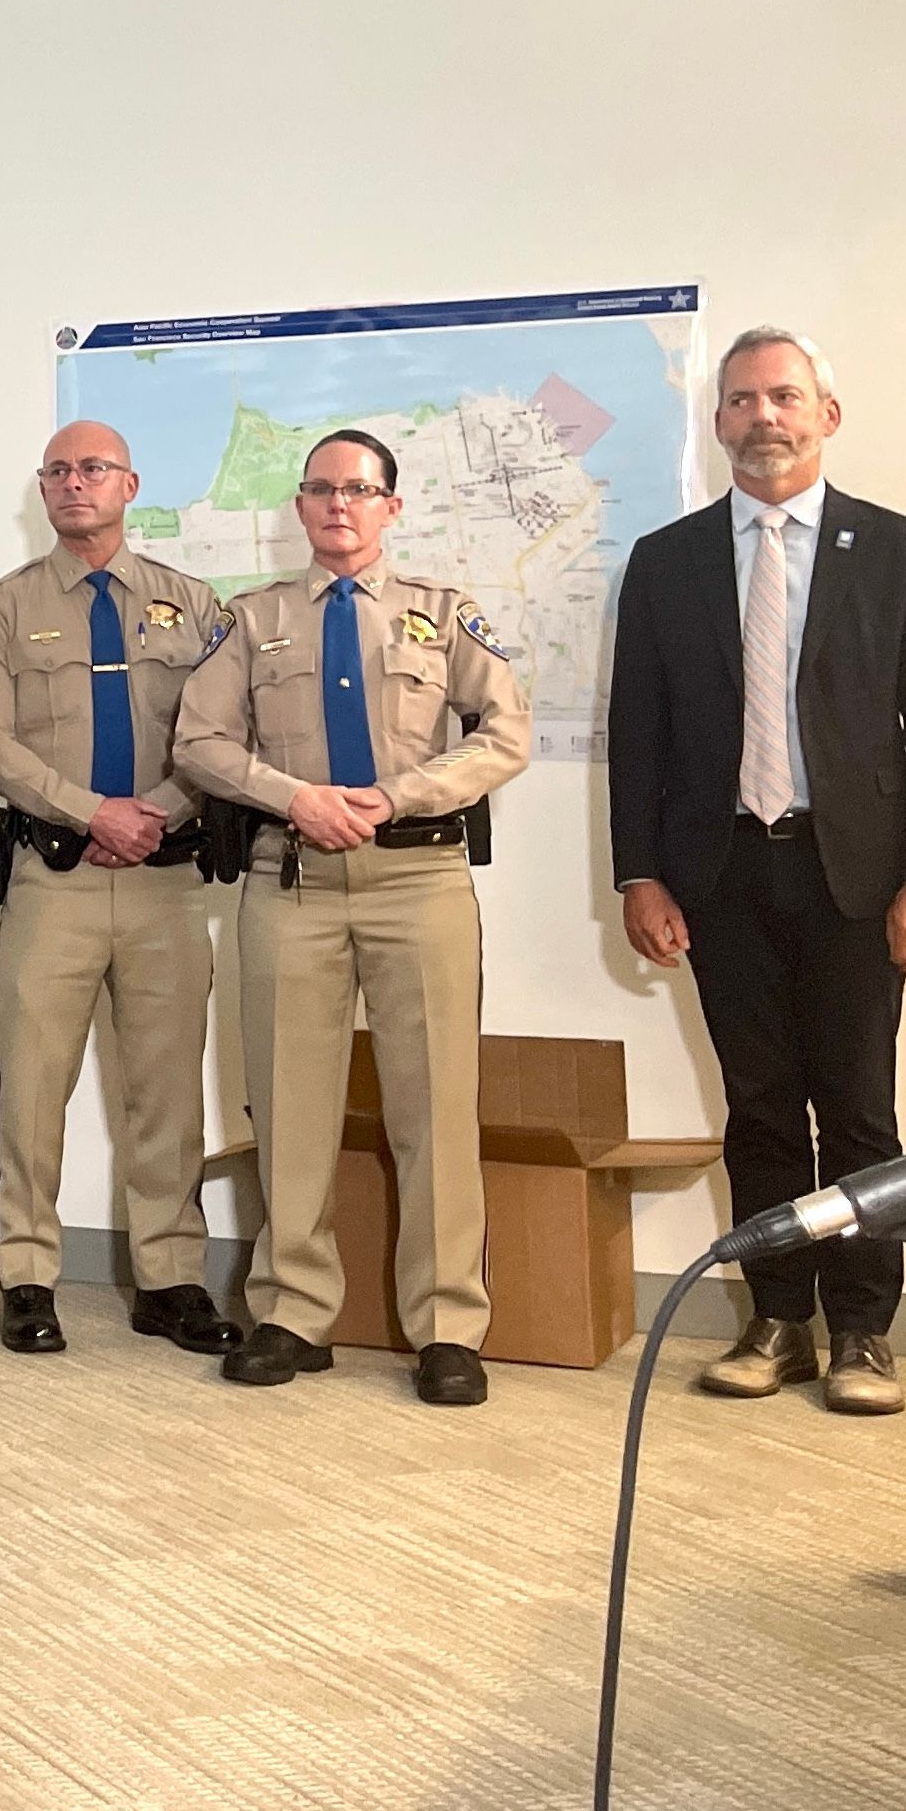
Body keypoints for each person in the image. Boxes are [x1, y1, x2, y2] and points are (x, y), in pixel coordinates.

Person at [174, 429, 528, 1405]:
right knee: (287, 1105)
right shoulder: (252, 622)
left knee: (435, 1108)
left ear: (391, 507)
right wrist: (291, 795)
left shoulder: (441, 616)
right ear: (299, 506)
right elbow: (197, 739)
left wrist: (403, 792)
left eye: (359, 490)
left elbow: (506, 732)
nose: (339, 505)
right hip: (290, 882)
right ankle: (291, 1310)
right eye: (322, 489)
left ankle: (448, 1324)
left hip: (416, 882)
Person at [609, 326, 906, 1416]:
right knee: (760, 1108)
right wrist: (637, 874)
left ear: (826, 416)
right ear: (717, 420)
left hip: (858, 882)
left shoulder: (893, 550)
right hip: (721, 873)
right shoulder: (667, 558)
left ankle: (865, 1333)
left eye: (783, 396)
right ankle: (777, 1318)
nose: (761, 417)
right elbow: (634, 730)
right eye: (739, 400)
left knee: (861, 1111)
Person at [0, 423, 235, 1358]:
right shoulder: (0, 610)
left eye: (94, 470)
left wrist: (152, 809)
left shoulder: (194, 607)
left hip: (167, 880)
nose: (76, 485)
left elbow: (227, 729)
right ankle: (28, 1274)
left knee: (166, 1091)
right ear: (42, 488)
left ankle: (170, 1277)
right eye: (59, 472)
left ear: (131, 483)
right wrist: (90, 813)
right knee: (30, 1084)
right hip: (55, 877)